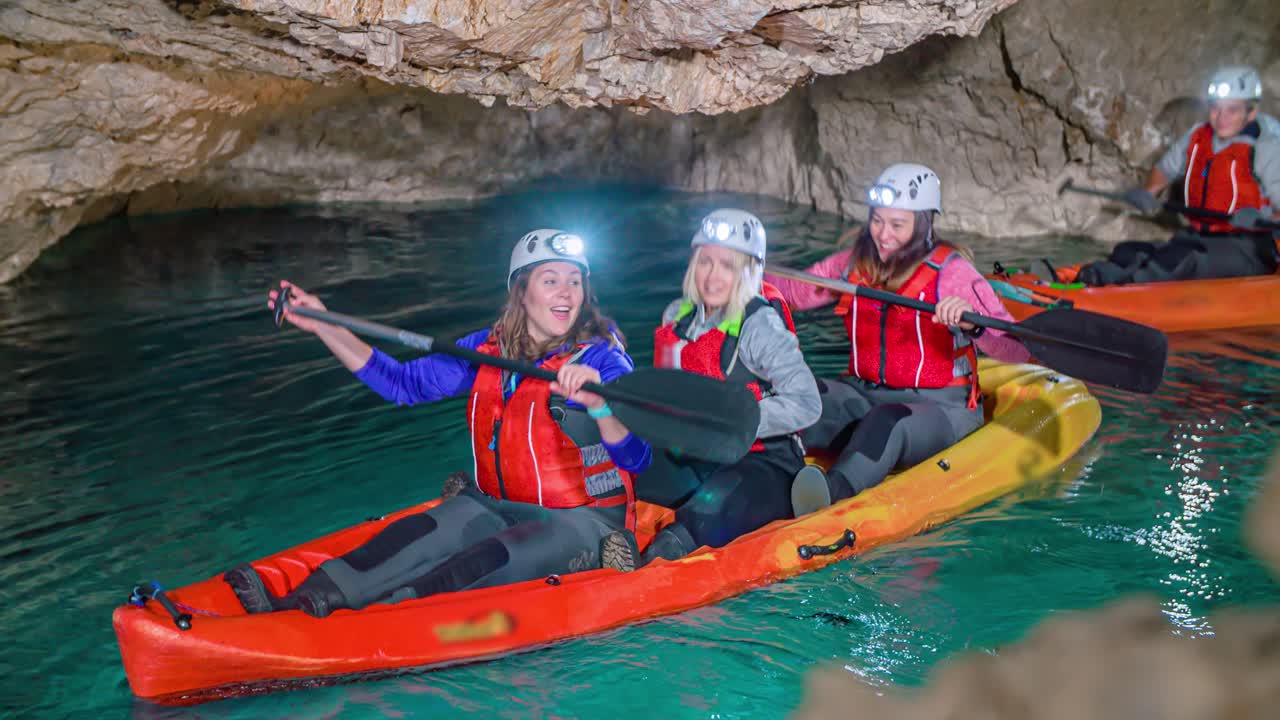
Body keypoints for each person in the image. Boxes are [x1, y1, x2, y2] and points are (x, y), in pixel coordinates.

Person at [223, 230, 652, 617]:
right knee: (410, 537)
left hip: (581, 524)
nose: (566, 293)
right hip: (495, 505)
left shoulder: (602, 360)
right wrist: (322, 324)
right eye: (550, 280)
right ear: (522, 292)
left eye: (575, 281)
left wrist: (600, 405)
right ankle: (299, 604)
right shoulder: (488, 349)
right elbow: (402, 384)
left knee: (473, 567)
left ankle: (381, 621)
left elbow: (637, 456)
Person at [763, 163, 1032, 512]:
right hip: (864, 392)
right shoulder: (854, 264)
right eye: (877, 220)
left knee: (887, 421)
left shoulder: (953, 274)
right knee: (803, 395)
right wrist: (742, 277)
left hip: (941, 409)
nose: (883, 234)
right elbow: (793, 292)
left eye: (897, 225)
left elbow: (1016, 350)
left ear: (923, 224)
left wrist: (972, 326)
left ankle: (830, 496)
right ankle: (764, 469)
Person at [599, 209, 822, 569]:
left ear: (748, 272)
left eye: (727, 266)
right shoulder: (677, 317)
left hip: (763, 459)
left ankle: (658, 560)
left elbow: (807, 403)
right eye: (705, 262)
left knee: (712, 505)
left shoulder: (759, 325)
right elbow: (669, 394)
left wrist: (735, 421)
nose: (712, 276)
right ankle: (606, 544)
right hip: (699, 452)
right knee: (629, 482)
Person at [1076, 65, 1280, 286]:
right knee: (1128, 251)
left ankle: (1113, 291)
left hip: (1249, 249)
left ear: (1251, 112)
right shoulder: (1198, 136)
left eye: (1232, 110)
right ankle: (1092, 279)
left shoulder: (1267, 148)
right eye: (1215, 109)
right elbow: (1164, 170)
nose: (1221, 117)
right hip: (1199, 238)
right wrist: (1148, 192)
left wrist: (1261, 221)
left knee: (1182, 261)